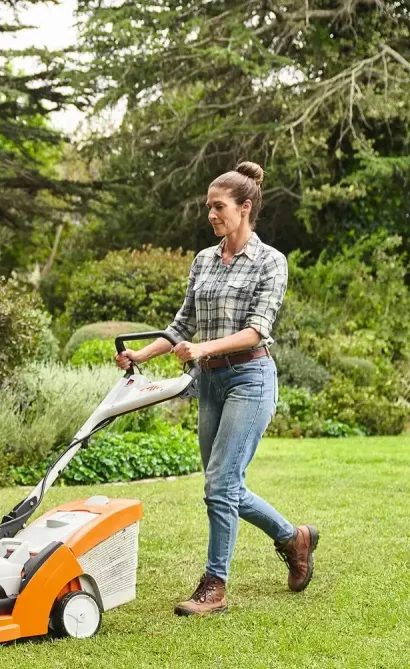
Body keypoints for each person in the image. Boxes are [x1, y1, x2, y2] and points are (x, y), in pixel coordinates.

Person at [115, 161, 319, 616]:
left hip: (250, 377)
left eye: (219, 206)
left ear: (245, 208)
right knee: (221, 486)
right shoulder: (204, 260)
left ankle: (215, 586)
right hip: (210, 381)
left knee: (222, 484)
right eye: (208, 207)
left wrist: (201, 348)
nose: (211, 214)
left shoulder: (271, 262)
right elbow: (181, 325)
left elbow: (256, 331)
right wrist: (140, 356)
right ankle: (294, 537)